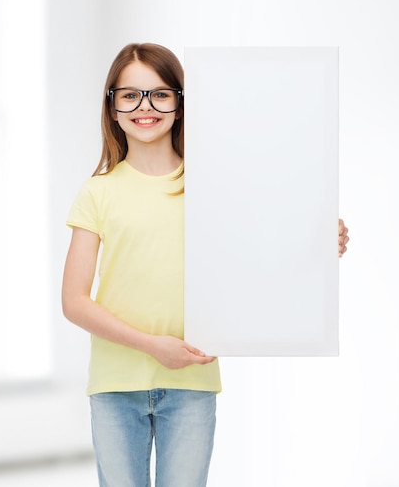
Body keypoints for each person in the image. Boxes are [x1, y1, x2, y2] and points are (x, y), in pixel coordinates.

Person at [62, 43, 350, 487]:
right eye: (130, 95)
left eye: (161, 94)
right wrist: (152, 345)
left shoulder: (214, 185)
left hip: (193, 382)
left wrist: (315, 245)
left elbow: (256, 258)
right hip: (115, 384)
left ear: (179, 103)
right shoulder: (98, 192)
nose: (146, 107)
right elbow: (75, 301)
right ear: (113, 107)